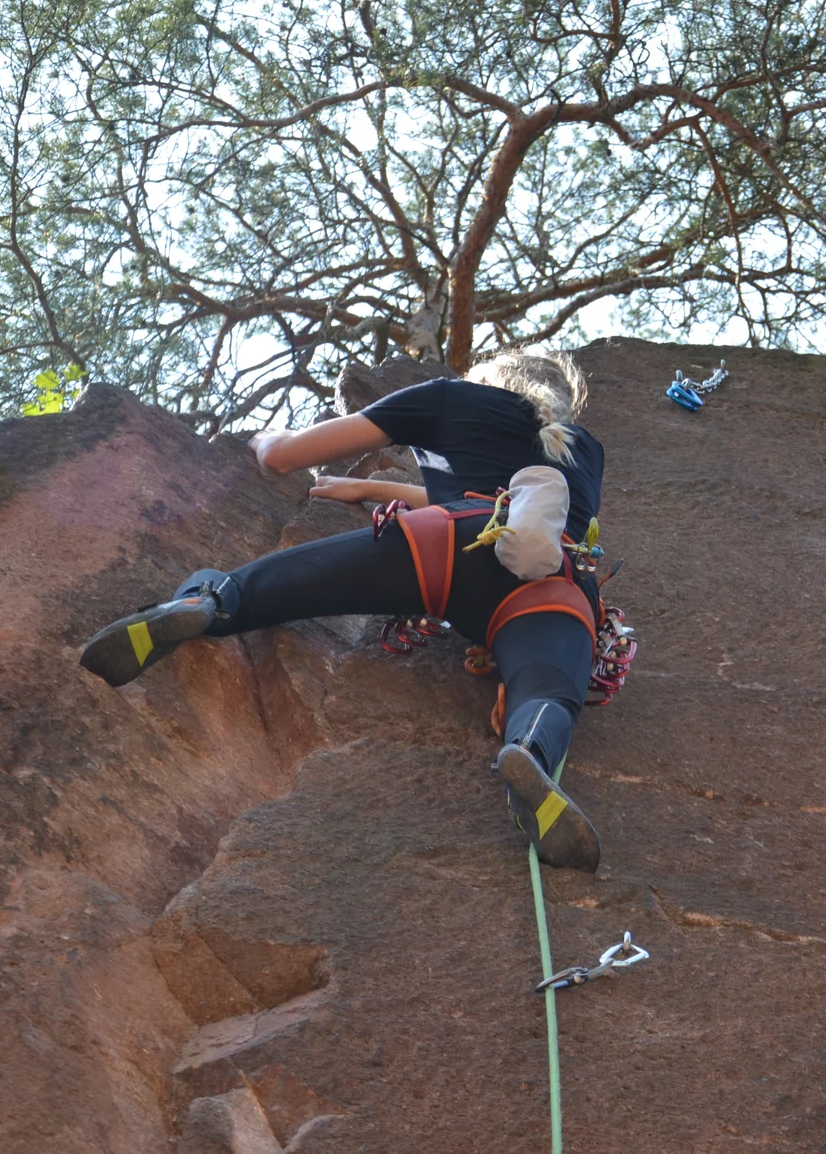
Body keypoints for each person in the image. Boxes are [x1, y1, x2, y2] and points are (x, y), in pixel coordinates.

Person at [79, 352, 608, 870]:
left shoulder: (451, 398)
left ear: (489, 378)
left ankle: (206, 603)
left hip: (448, 542)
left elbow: (283, 457)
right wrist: (374, 487)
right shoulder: (585, 449)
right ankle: (530, 753)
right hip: (553, 580)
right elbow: (506, 501)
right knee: (547, 688)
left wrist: (261, 439)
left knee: (272, 586)